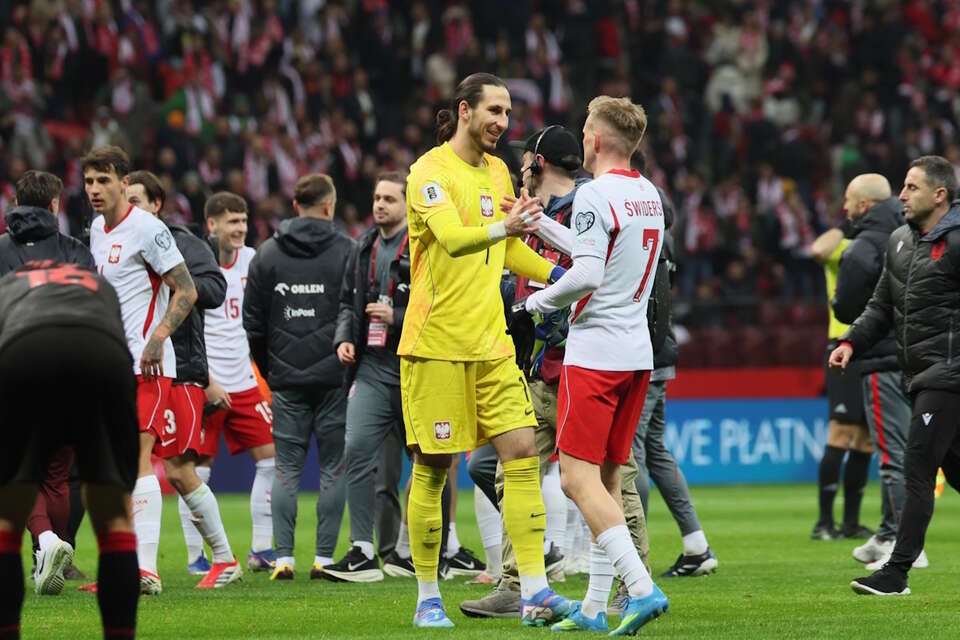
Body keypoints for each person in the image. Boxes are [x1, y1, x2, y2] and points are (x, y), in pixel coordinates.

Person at [399, 72, 570, 628]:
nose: (502, 122)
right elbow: (452, 239)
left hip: (491, 343)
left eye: (508, 113)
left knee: (522, 452)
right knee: (433, 465)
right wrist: (506, 227)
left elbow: (508, 250)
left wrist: (563, 276)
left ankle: (536, 590)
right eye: (493, 110)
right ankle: (428, 595)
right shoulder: (429, 172)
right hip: (437, 345)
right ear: (465, 110)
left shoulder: (498, 170)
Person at [523, 96, 668, 635]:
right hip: (636, 355)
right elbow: (598, 254)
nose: (582, 138)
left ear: (598, 140)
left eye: (586, 129)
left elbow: (586, 276)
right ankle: (593, 608)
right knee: (606, 480)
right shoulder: (646, 193)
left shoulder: (593, 193)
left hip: (595, 355)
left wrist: (532, 304)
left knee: (574, 479)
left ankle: (643, 589)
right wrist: (540, 228)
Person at [84, 147, 241, 594]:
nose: (95, 190)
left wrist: (157, 339)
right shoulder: (97, 229)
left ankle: (145, 570)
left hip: (148, 364)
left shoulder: (150, 231)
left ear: (122, 180)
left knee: (149, 461)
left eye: (104, 181)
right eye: (89, 181)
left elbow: (188, 290)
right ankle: (128, 566)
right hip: (109, 363)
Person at [830, 155, 960, 596]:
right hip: (918, 374)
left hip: (948, 375)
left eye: (911, 187)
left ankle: (896, 572)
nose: (901, 195)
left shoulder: (957, 241)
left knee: (918, 465)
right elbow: (881, 306)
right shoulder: (900, 241)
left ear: (940, 195)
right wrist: (850, 342)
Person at [126, 173, 266, 578]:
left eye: (136, 199)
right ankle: (132, 567)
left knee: (178, 469)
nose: (127, 206)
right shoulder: (108, 240)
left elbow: (213, 288)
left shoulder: (182, 243)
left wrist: (171, 281)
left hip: (180, 369)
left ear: (156, 204)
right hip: (128, 367)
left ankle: (220, 558)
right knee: (126, 465)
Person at [0, 263, 140, 639]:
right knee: (114, 517)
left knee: (8, 515)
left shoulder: (9, 285)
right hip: (103, 356)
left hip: (25, 353)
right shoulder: (98, 284)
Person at [243, 173, 353, 581]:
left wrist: (270, 370)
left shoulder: (267, 254)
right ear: (329, 205)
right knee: (333, 469)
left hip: (285, 378)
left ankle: (284, 557)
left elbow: (251, 324)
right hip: (334, 377)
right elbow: (354, 315)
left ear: (294, 206)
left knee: (287, 469)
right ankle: (324, 558)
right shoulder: (347, 250)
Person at [0, 170, 95, 595]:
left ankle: (45, 543)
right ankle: (54, 556)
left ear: (17, 201)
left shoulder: (1, 250)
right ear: (55, 204)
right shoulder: (76, 251)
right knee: (57, 474)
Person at [630, 153, 718, 579]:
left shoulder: (630, 216)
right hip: (660, 351)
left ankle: (632, 560)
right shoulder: (659, 220)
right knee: (656, 452)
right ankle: (697, 546)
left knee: (630, 455)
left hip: (642, 354)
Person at [831, 174, 924, 569]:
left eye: (849, 201)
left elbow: (847, 305)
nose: (845, 208)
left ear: (864, 205)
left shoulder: (864, 246)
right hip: (909, 356)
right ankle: (887, 532)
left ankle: (907, 547)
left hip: (880, 359)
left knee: (893, 454)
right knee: (902, 449)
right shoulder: (908, 234)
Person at [325, 171, 411, 583]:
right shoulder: (362, 247)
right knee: (356, 449)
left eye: (389, 199)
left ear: (408, 205)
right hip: (374, 366)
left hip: (417, 365)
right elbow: (346, 303)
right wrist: (345, 338)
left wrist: (395, 316)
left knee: (431, 462)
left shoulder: (425, 247)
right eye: (377, 198)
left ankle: (422, 549)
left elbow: (444, 304)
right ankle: (361, 550)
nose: (380, 205)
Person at [198, 191, 278, 574]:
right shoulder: (196, 266)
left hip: (246, 381)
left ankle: (262, 548)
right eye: (232, 222)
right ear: (211, 225)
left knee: (271, 460)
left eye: (243, 221)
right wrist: (206, 379)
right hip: (206, 383)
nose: (240, 229)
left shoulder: (254, 261)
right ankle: (198, 556)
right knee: (195, 471)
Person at [810, 215, 874, 541]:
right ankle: (824, 523)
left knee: (865, 439)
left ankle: (850, 522)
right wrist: (844, 226)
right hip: (842, 347)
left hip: (874, 348)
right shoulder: (844, 248)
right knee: (841, 433)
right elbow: (818, 250)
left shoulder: (881, 245)